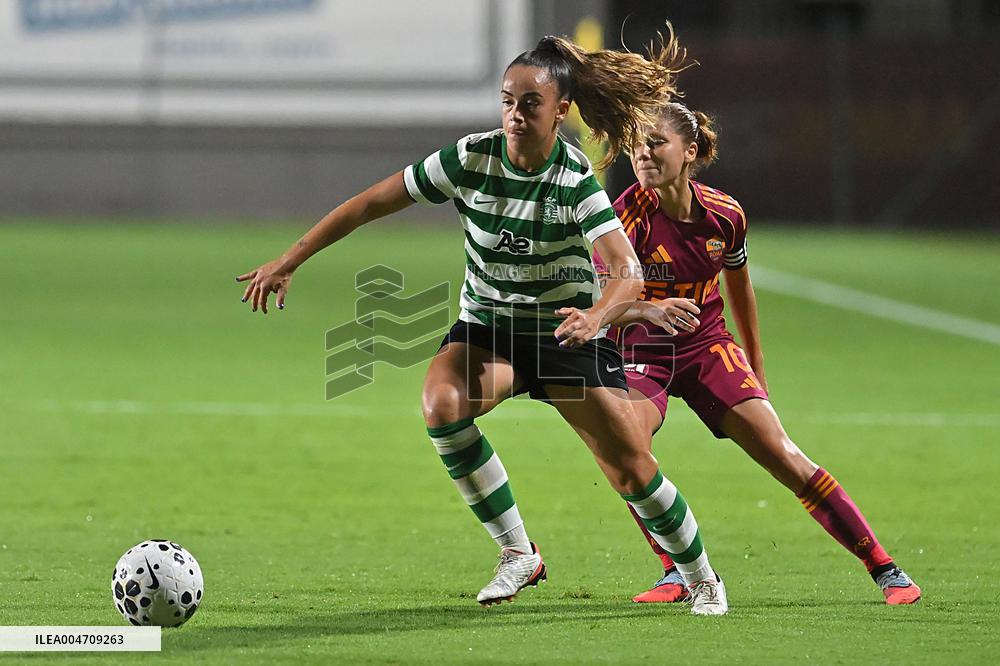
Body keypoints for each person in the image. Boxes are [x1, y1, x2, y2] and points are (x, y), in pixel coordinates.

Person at [237, 34, 729, 614]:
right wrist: (290, 259)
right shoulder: (471, 157)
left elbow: (627, 271)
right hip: (489, 329)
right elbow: (371, 202)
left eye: (530, 104)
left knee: (631, 470)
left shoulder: (572, 179)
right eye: (506, 101)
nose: (515, 115)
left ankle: (703, 578)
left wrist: (597, 316)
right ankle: (518, 552)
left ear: (560, 111)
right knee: (442, 406)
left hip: (565, 334)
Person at [595, 102, 921, 605]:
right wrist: (646, 311)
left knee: (783, 454)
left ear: (691, 151)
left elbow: (739, 285)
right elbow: (602, 307)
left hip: (707, 343)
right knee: (624, 451)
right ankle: (677, 571)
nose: (642, 152)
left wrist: (754, 365)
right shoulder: (624, 218)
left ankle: (884, 567)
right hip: (644, 348)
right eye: (637, 142)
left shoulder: (725, 215)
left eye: (656, 142)